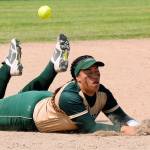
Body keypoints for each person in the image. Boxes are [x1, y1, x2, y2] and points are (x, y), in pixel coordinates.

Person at [0, 34, 139, 135]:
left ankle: (12, 66)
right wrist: (122, 129)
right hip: (27, 113)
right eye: (88, 72)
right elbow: (89, 127)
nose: (95, 74)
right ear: (77, 78)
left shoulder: (102, 93)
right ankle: (8, 66)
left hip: (43, 99)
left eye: (96, 71)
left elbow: (122, 118)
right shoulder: (69, 96)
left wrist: (139, 126)